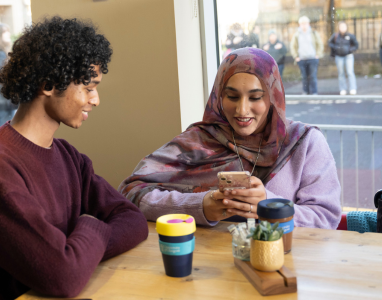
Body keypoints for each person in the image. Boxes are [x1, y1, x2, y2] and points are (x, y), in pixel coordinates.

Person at [0, 17, 148, 300]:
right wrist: (89, 226)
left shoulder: (69, 157)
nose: (95, 100)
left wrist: (75, 254)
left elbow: (133, 220)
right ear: (48, 84)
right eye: (88, 87)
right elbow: (62, 278)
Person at [119, 48, 342, 230]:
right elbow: (130, 193)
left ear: (273, 97)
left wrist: (269, 205)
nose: (242, 110)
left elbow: (326, 218)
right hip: (206, 269)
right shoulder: (197, 142)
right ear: (218, 96)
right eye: (232, 96)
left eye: (255, 97)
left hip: (284, 265)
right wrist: (201, 206)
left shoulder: (304, 143)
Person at [290, 16, 323, 95]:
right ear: (299, 25)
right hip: (302, 59)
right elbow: (293, 46)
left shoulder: (313, 33)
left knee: (312, 76)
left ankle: (314, 92)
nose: (304, 25)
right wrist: (296, 57)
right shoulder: (297, 35)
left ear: (308, 24)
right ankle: (305, 92)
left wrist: (318, 55)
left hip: (312, 58)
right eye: (302, 24)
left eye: (305, 23)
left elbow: (320, 44)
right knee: (304, 77)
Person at [329, 22, 359, 95]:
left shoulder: (350, 36)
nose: (342, 28)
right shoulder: (335, 36)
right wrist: (335, 47)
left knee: (350, 72)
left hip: (348, 56)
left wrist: (350, 49)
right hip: (339, 56)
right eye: (341, 27)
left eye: (344, 27)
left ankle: (353, 88)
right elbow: (330, 43)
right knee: (341, 73)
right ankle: (343, 89)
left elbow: (356, 45)